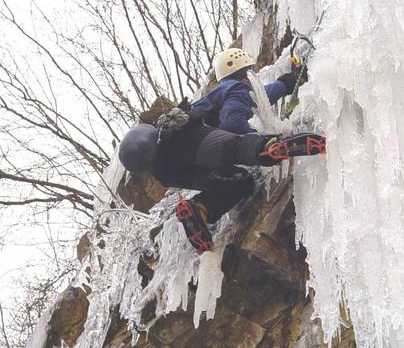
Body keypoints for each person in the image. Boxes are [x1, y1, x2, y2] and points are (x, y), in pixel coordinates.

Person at [119, 48, 325, 254]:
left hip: (168, 171)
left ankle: (199, 209)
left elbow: (262, 96)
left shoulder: (226, 93)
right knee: (236, 147)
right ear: (244, 73)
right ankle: (272, 148)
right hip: (188, 143)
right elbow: (233, 122)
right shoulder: (235, 88)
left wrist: (290, 82)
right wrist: (259, 140)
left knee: (239, 181)